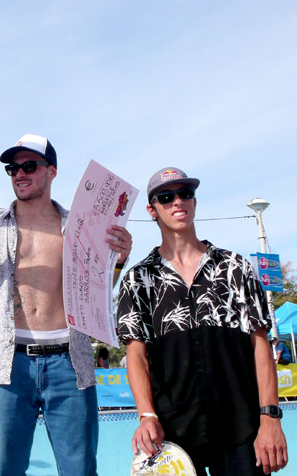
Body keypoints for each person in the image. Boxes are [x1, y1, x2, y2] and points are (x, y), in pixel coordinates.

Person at [0, 134, 133, 476]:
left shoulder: (77, 228)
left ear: (52, 171)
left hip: (69, 363)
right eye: (13, 168)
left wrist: (119, 260)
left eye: (29, 166)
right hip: (8, 364)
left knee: (79, 470)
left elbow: (97, 292)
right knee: (7, 470)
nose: (20, 174)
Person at [117, 167, 288, 475]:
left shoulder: (235, 267)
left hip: (241, 428)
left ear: (194, 202)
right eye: (166, 197)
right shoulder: (139, 279)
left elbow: (261, 344)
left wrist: (270, 418)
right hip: (173, 435)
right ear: (151, 209)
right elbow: (136, 355)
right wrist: (146, 415)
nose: (177, 202)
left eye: (185, 194)